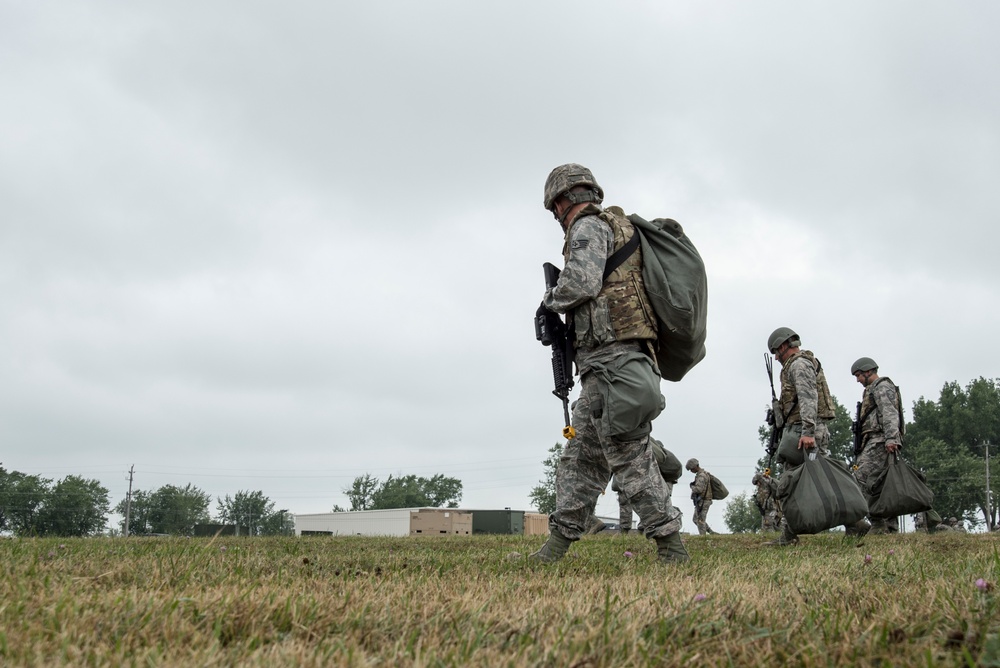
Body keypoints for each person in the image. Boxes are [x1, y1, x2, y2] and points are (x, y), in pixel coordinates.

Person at [530, 164, 688, 564]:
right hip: (608, 365)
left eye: (554, 208)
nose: (556, 216)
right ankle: (555, 548)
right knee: (580, 458)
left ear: (562, 200)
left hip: (613, 363)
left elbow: (581, 284)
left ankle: (671, 546)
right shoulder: (615, 228)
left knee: (629, 458)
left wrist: (549, 303)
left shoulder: (587, 227)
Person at [765, 327, 838, 546]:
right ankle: (855, 522)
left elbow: (808, 399)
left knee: (790, 482)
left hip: (805, 433)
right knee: (820, 479)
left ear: (784, 345)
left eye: (776, 352)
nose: (776, 358)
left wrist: (807, 433)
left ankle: (788, 536)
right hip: (801, 430)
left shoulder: (798, 365)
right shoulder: (801, 363)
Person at [850, 357, 904, 534]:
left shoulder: (882, 387)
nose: (857, 379)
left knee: (860, 478)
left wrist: (891, 439)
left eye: (858, 375)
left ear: (867, 371)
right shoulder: (871, 390)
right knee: (882, 484)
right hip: (874, 440)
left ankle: (878, 522)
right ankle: (888, 527)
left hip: (880, 440)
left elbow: (889, 413)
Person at [686, 458, 717, 534]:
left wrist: (692, 486)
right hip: (702, 500)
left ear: (695, 466)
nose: (691, 471)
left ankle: (703, 537)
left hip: (704, 500)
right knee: (696, 519)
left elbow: (698, 489)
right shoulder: (702, 474)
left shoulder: (701, 476)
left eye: (691, 469)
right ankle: (712, 533)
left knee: (700, 520)